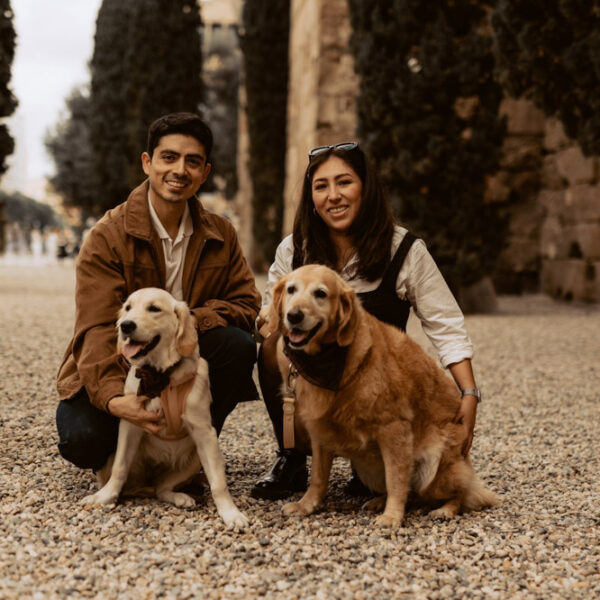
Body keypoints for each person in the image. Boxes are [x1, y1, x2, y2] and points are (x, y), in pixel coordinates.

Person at [251, 142, 481, 500]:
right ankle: (292, 455)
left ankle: (371, 462)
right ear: (311, 197)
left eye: (344, 182)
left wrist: (468, 392)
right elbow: (271, 311)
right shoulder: (294, 249)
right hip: (317, 381)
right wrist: (270, 321)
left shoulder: (403, 249)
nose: (333, 196)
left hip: (378, 391)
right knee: (271, 347)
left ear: (366, 189)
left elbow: (445, 322)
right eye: (321, 186)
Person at [56, 112, 261, 476]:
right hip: (123, 366)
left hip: (183, 360)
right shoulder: (108, 235)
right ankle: (136, 448)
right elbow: (97, 325)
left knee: (239, 345)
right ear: (148, 163)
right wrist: (116, 399)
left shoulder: (221, 234)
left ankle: (188, 454)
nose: (180, 170)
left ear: (205, 172)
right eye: (169, 157)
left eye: (192, 162)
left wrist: (190, 321)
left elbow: (248, 305)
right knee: (83, 441)